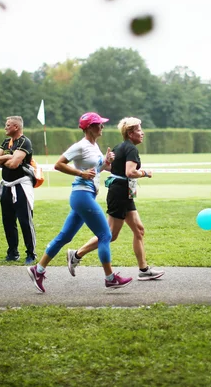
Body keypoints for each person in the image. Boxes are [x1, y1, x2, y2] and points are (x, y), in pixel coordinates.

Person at [27, 112, 132, 293]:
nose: (102, 127)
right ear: (89, 127)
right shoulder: (80, 146)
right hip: (82, 195)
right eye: (99, 124)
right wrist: (81, 174)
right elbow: (58, 164)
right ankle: (110, 278)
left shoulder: (94, 146)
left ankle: (38, 269)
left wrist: (107, 162)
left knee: (65, 237)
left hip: (86, 196)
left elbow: (96, 169)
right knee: (106, 235)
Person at [67, 117, 164, 280]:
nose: (142, 133)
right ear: (130, 133)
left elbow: (112, 168)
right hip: (120, 194)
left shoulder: (121, 147)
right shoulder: (130, 149)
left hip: (124, 193)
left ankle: (144, 269)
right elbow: (130, 172)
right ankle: (76, 255)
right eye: (139, 130)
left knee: (139, 230)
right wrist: (145, 173)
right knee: (110, 234)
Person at [0, 116, 36, 265]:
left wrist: (4, 158)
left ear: (16, 127)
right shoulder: (6, 142)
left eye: (8, 125)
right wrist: (9, 156)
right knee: (8, 221)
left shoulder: (24, 142)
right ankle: (12, 252)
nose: (5, 127)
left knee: (25, 221)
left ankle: (31, 254)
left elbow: (14, 164)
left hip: (21, 186)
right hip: (6, 186)